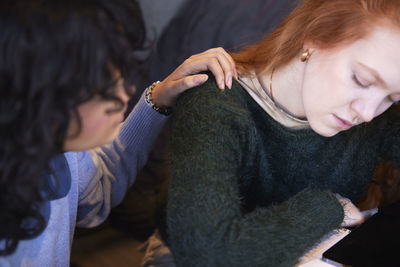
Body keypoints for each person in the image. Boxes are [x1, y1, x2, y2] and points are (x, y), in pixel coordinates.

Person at [163, 0, 400, 266]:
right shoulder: (215, 107)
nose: (368, 113)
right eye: (362, 80)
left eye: (392, 97)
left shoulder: (374, 120)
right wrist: (328, 209)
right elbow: (209, 254)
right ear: (314, 39)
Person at [0, 0, 237, 265]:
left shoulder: (57, 148)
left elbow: (95, 191)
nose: (125, 93)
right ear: (44, 89)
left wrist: (157, 100)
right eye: (105, 85)